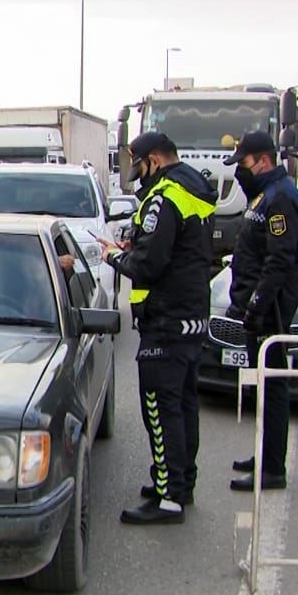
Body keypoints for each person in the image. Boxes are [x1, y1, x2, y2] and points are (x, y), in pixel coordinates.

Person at [99, 131, 216, 524]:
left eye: (140, 166)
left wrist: (115, 256)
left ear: (154, 159)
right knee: (183, 406)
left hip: (165, 319)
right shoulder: (194, 187)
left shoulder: (165, 197)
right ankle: (180, 484)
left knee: (161, 409)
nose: (139, 175)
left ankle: (168, 498)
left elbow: (148, 265)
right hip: (190, 314)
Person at [223, 131, 298, 492]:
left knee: (273, 388)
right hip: (259, 305)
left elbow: (279, 262)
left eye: (242, 163)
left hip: (271, 310)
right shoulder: (265, 195)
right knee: (264, 387)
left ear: (262, 160)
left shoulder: (281, 198)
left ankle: (273, 468)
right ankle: (265, 454)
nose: (239, 171)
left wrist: (257, 305)